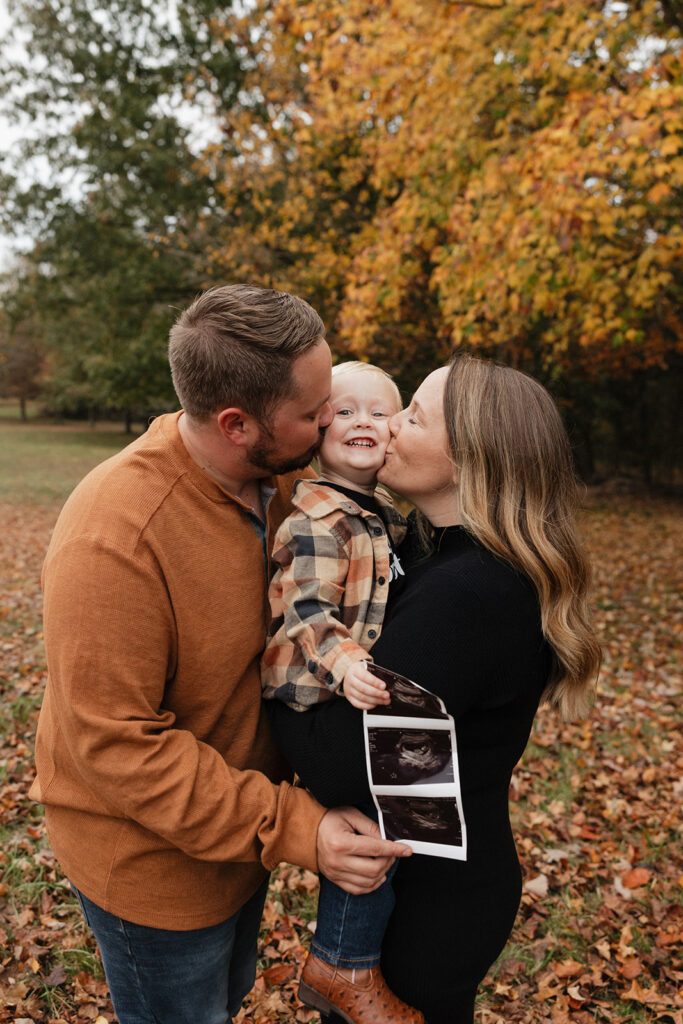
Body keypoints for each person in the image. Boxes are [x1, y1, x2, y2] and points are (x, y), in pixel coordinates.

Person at [29, 284, 412, 1024]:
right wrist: (297, 827)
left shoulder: (290, 481)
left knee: (228, 1000)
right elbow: (118, 746)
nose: (329, 419)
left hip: (237, 842)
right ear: (237, 424)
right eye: (312, 412)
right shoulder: (115, 537)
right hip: (154, 873)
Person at [267, 354, 601, 1024]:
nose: (386, 429)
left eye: (410, 416)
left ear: (469, 458)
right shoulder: (448, 556)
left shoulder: (466, 595)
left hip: (426, 907)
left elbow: (346, 760)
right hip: (436, 873)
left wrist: (273, 688)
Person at [262, 361, 423, 1024]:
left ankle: (353, 957)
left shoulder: (379, 512)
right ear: (319, 425)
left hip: (342, 692)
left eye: (379, 413)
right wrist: (347, 660)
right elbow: (303, 611)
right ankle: (339, 962)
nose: (362, 423)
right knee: (368, 816)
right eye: (344, 410)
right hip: (310, 694)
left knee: (388, 817)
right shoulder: (315, 515)